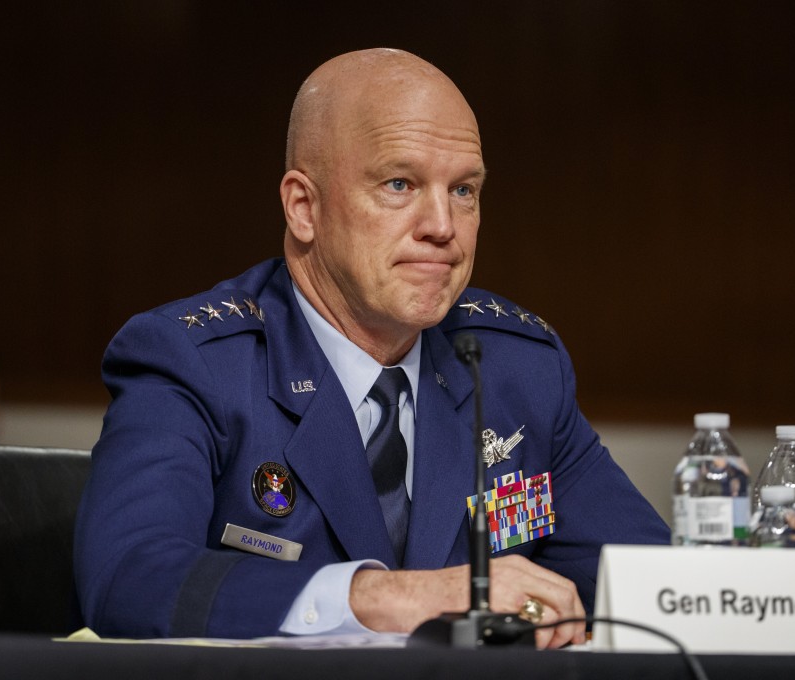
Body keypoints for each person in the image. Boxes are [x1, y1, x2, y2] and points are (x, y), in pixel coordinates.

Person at [74, 48, 670, 649]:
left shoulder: (515, 369)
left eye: (464, 190)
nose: (442, 225)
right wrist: (390, 597)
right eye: (399, 183)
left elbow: (660, 586)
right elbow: (128, 578)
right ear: (304, 207)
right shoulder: (196, 362)